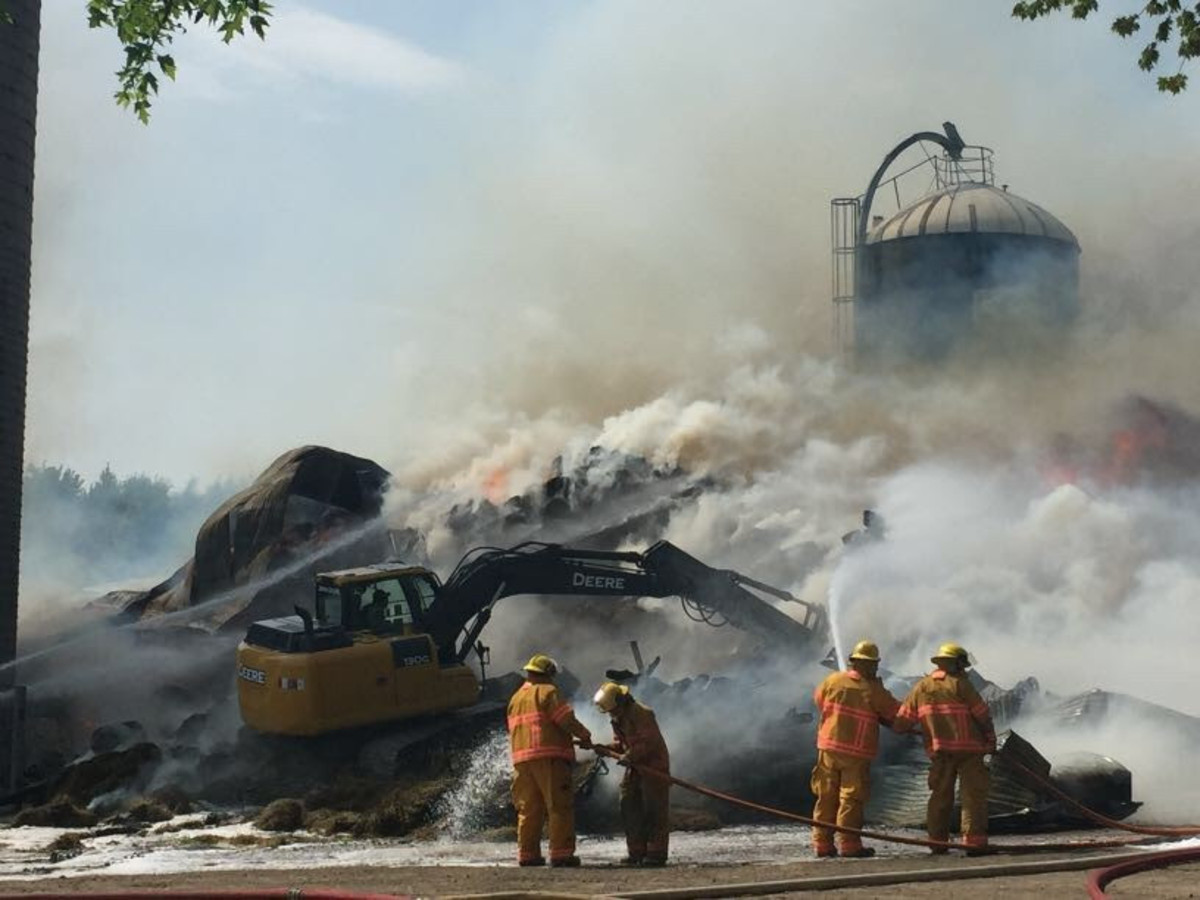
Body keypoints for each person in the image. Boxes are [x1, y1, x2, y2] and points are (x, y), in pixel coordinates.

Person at [894, 642, 996, 854]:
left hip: (940, 752)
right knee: (972, 797)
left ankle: (937, 842)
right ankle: (974, 842)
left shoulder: (921, 687)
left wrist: (891, 723)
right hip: (969, 750)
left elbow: (902, 722)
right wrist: (990, 739)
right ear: (955, 663)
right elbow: (982, 714)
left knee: (940, 796)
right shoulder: (961, 685)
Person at [809, 639, 902, 858]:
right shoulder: (872, 689)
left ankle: (822, 845)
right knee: (851, 798)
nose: (875, 667)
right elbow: (895, 714)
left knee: (826, 796)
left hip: (828, 748)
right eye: (873, 663)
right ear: (864, 664)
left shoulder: (832, 680)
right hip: (855, 751)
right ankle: (849, 844)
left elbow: (819, 701)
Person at [507, 653, 593, 867]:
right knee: (558, 806)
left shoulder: (515, 698)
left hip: (521, 761)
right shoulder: (548, 691)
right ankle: (561, 854)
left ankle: (528, 856)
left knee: (528, 810)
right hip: (549, 758)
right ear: (548, 674)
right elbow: (564, 719)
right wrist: (584, 735)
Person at [594, 681, 671, 867]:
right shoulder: (618, 718)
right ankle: (636, 852)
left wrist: (629, 755)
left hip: (653, 768)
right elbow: (622, 745)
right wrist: (606, 748)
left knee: (654, 810)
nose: (611, 714)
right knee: (628, 804)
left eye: (612, 710)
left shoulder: (641, 713)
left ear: (621, 701)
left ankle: (656, 854)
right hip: (635, 768)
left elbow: (649, 742)